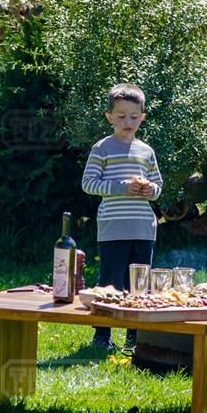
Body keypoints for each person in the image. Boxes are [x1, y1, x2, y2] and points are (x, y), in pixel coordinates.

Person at [80, 83, 163, 350]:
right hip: (113, 227)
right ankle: (102, 335)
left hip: (143, 228)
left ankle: (136, 337)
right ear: (109, 117)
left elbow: (157, 186)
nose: (128, 122)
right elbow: (88, 184)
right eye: (121, 116)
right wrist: (120, 188)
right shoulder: (102, 148)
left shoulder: (146, 151)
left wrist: (150, 190)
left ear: (142, 117)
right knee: (109, 283)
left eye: (134, 117)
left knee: (139, 284)